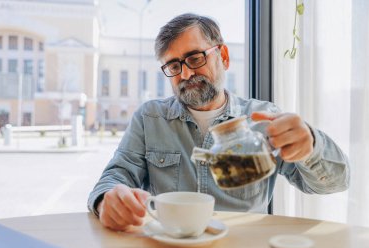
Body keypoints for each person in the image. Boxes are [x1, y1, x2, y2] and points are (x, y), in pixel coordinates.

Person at [88, 13, 350, 231]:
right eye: (174, 66)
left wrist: (311, 146)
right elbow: (115, 176)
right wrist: (106, 201)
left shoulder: (263, 119)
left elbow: (337, 181)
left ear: (223, 56)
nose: (186, 73)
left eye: (195, 58)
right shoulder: (149, 119)